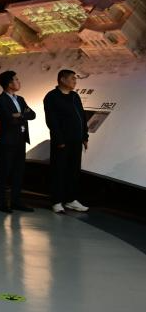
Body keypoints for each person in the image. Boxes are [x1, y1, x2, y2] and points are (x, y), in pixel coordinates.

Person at [43, 69, 90, 213]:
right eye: (72, 78)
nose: (75, 81)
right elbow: (52, 120)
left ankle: (71, 199)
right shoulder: (52, 97)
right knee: (59, 170)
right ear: (62, 80)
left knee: (74, 170)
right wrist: (59, 139)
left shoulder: (75, 96)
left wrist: (84, 136)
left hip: (76, 140)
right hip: (62, 141)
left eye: (75, 79)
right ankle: (56, 201)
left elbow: (82, 116)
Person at [0, 71, 36, 213]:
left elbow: (32, 115)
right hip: (7, 140)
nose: (19, 82)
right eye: (16, 80)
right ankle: (1, 202)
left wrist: (19, 115)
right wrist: (22, 115)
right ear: (9, 83)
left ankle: (16, 200)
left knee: (19, 171)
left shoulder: (21, 99)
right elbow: (8, 119)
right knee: (5, 171)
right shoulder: (0, 100)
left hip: (21, 139)